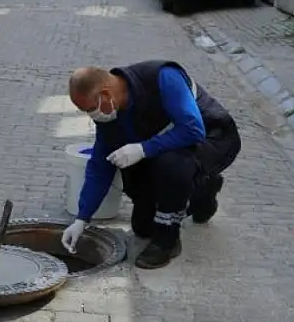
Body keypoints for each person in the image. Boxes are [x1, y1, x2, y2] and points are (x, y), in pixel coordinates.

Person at [60, 61, 242, 269]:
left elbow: (193, 130)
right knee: (143, 227)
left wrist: (143, 149)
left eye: (91, 109)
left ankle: (168, 239)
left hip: (211, 137)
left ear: (106, 93)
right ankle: (201, 191)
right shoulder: (110, 114)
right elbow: (101, 165)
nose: (92, 115)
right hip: (170, 148)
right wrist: (82, 219)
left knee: (171, 164)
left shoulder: (163, 77)